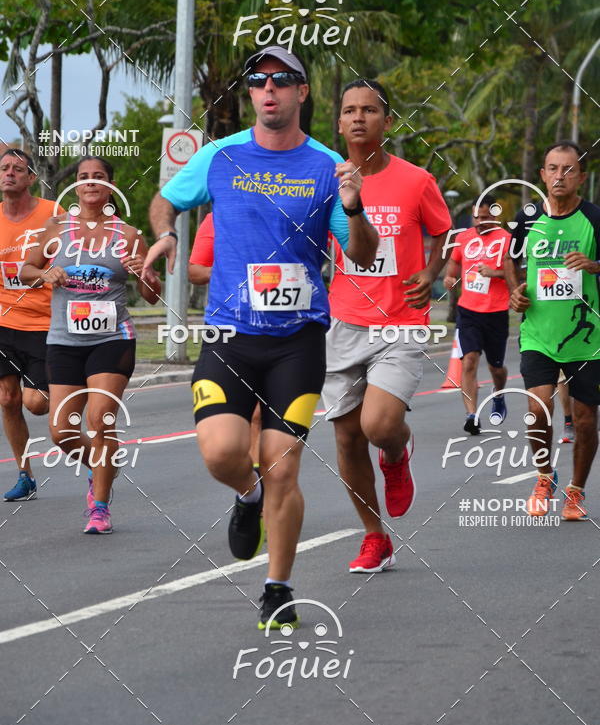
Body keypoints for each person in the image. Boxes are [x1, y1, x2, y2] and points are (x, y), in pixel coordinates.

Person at [143, 46, 378, 629]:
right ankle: (246, 496)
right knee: (223, 451)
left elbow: (363, 254)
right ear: (250, 93)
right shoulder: (220, 157)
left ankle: (278, 587)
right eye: (258, 81)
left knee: (284, 465)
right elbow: (165, 201)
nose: (268, 89)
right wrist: (165, 235)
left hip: (297, 341)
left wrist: (355, 206)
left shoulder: (328, 165)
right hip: (230, 334)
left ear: (302, 93)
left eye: (282, 80)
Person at [322, 79, 452, 573]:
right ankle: (375, 537)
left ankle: (397, 451)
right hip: (343, 322)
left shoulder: (416, 180)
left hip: (400, 322)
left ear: (387, 122)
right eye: (349, 110)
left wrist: (431, 271)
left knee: (377, 425)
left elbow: (441, 231)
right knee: (347, 438)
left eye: (369, 111)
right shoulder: (324, 180)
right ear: (339, 122)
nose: (358, 118)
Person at [20, 156, 161, 532]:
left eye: (99, 177)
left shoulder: (129, 235)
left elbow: (151, 295)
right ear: (76, 186)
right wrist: (46, 272)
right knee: (61, 430)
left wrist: (142, 272)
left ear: (111, 186)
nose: (90, 183)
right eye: (84, 177)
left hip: (112, 339)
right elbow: (25, 270)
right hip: (64, 340)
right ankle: (101, 467)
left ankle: (99, 506)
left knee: (100, 419)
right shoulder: (56, 229)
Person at [505, 140, 600, 521]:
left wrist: (594, 265)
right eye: (553, 169)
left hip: (586, 337)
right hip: (538, 334)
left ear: (581, 177)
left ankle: (575, 490)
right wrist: (515, 291)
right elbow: (511, 258)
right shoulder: (527, 218)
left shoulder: (594, 217)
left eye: (568, 170)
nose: (560, 176)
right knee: (536, 409)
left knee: (585, 419)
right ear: (542, 175)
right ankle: (545, 475)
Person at [0, 149, 55, 501]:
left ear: (31, 177)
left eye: (18, 169)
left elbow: (79, 251)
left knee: (36, 403)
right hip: (4, 320)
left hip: (46, 322)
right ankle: (25, 474)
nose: (9, 174)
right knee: (7, 399)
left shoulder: (53, 214)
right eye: (4, 168)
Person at [188, 212, 261, 468]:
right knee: (239, 419)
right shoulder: (217, 216)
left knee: (260, 416)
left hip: (281, 327)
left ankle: (260, 487)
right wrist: (228, 269)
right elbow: (195, 271)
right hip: (228, 327)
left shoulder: (293, 208)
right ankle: (252, 486)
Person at [443, 197, 511, 435]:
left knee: (496, 368)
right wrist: (450, 280)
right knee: (469, 360)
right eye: (477, 218)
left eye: (485, 218)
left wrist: (495, 272)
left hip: (497, 312)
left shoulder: (507, 239)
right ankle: (472, 415)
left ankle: (498, 393)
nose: (480, 222)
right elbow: (451, 270)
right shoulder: (463, 238)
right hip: (468, 311)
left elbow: (519, 274)